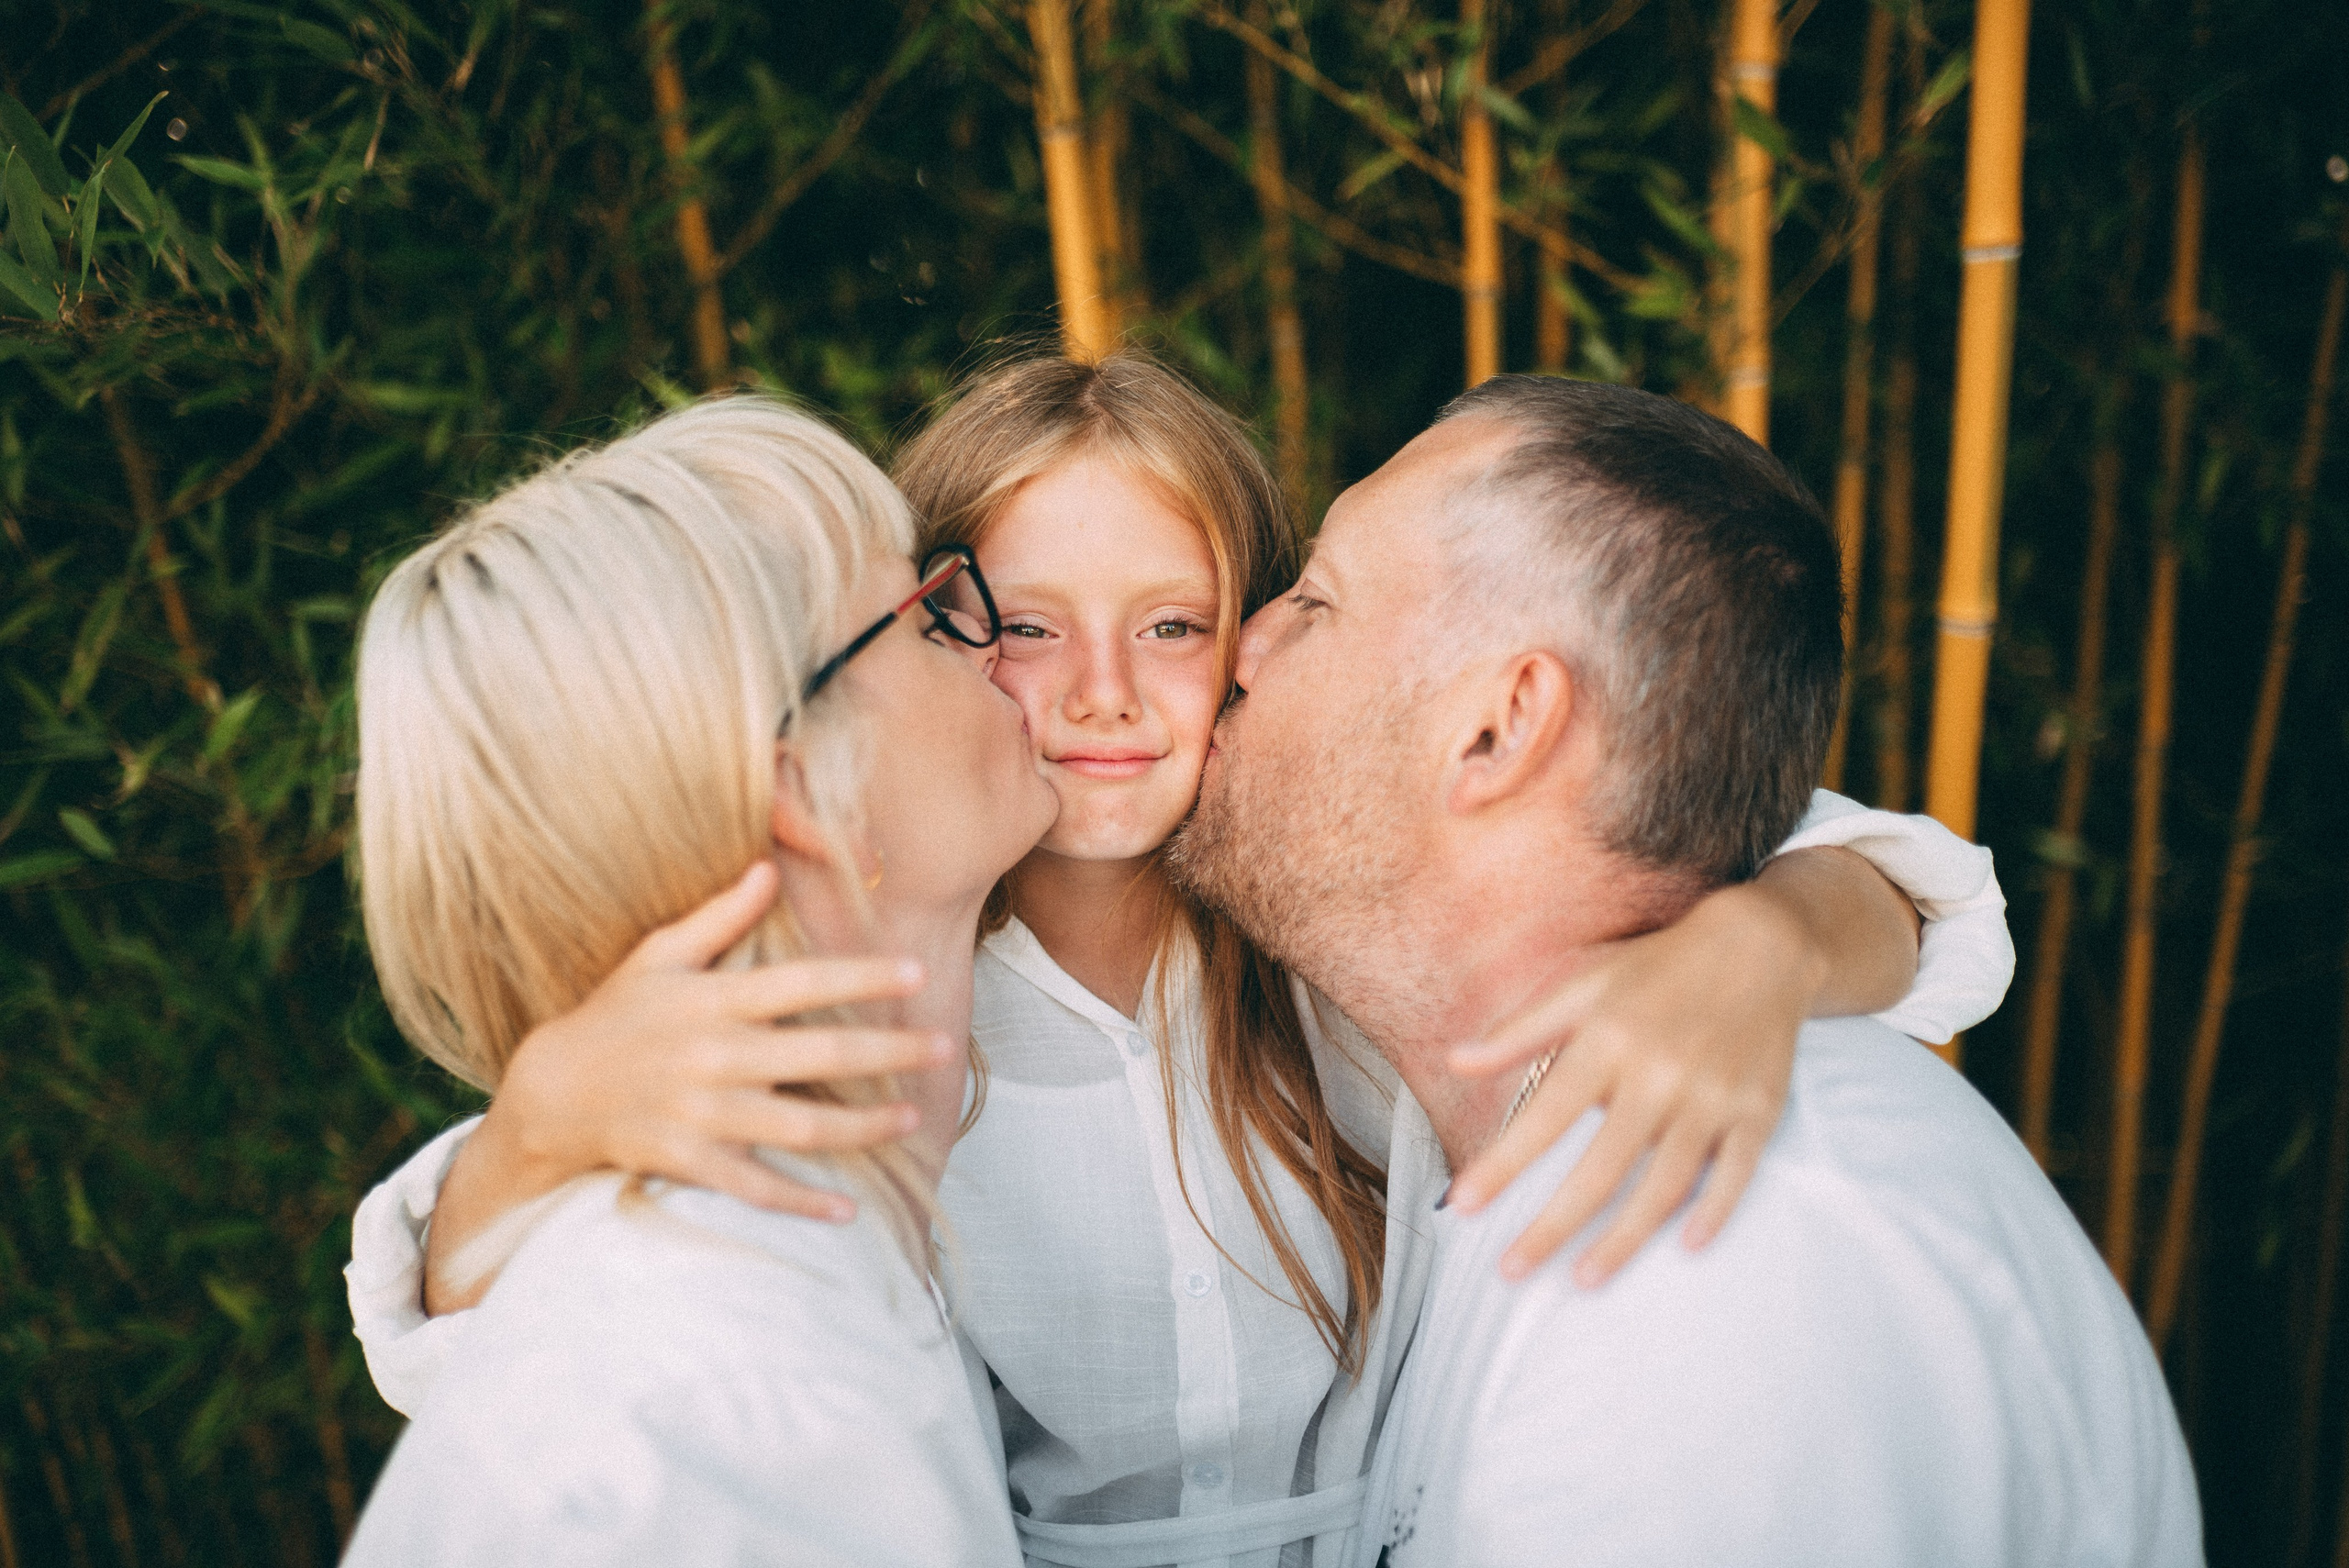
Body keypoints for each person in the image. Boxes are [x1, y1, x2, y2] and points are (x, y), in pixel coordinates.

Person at [348, 355, 2016, 1567]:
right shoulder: (873, 1038)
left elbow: (1884, 885)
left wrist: (1756, 939)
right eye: (996, 622)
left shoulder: (1324, 910)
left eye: (1172, 625)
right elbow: (477, 1324)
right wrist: (544, 1116)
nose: (1096, 694)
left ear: (1259, 648)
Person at [1165, 374, 2200, 1566]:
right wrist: (1785, 932)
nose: (1241, 642)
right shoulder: (1484, 1125)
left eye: (1318, 601)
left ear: (1498, 729)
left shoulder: (1701, 1277)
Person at [339, 398, 1042, 1565]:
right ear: (805, 790)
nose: (996, 640)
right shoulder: (730, 1404)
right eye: (923, 619)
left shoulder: (796, 1264)